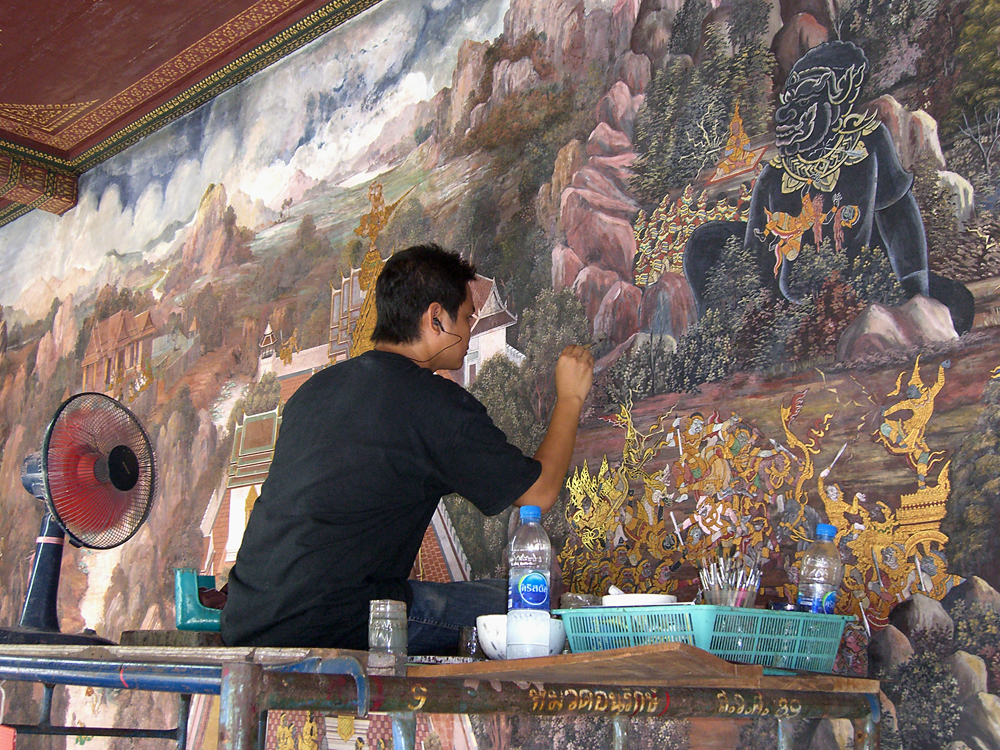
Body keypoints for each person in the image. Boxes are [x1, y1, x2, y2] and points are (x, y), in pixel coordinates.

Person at [221, 244, 594, 653]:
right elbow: (538, 493)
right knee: (537, 608)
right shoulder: (432, 403)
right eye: (468, 316)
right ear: (436, 318)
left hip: (246, 618)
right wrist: (570, 399)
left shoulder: (313, 392)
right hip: (338, 622)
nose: (470, 331)